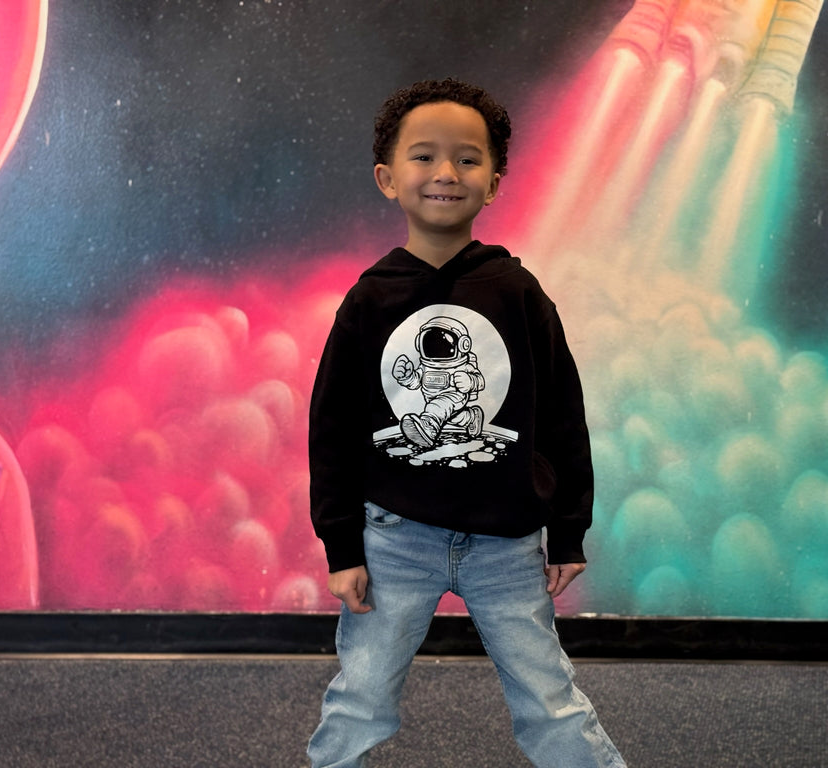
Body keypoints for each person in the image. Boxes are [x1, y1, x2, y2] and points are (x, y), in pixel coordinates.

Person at [307, 77, 626, 768]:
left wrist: (568, 527)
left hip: (507, 545)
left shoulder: (518, 293)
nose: (446, 173)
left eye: (468, 159)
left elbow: (563, 417)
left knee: (549, 700)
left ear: (494, 183)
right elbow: (331, 430)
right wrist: (341, 544)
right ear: (388, 178)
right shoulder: (369, 301)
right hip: (393, 541)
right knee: (361, 695)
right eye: (424, 156)